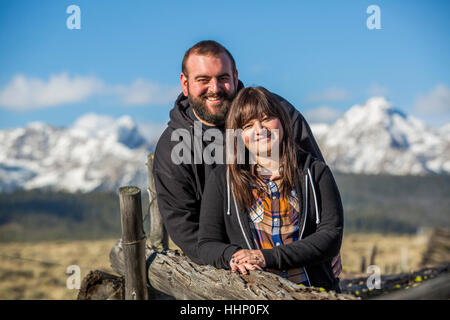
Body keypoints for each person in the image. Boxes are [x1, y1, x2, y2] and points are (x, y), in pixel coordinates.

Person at [152, 40, 341, 276]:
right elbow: (186, 229)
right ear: (185, 83)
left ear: (235, 75)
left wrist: (325, 247)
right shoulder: (172, 148)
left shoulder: (278, 112)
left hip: (303, 264)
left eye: (223, 78)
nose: (214, 88)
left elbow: (315, 188)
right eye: (203, 80)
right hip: (232, 272)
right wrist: (235, 261)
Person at [198, 87, 344, 291]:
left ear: (282, 121)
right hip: (255, 297)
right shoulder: (223, 180)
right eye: (248, 125)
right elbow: (206, 243)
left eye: (266, 118)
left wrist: (265, 257)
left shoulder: (314, 172)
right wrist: (232, 256)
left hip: (314, 292)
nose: (259, 129)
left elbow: (330, 235)